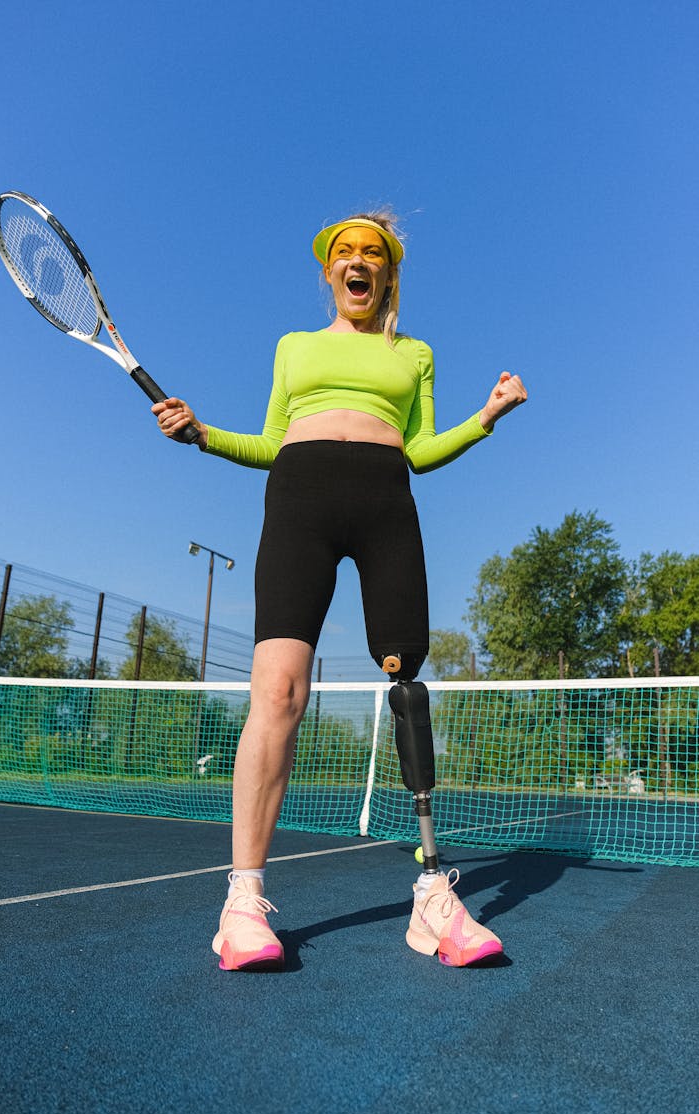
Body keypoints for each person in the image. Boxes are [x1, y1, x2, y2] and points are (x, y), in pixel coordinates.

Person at [153, 211, 527, 971]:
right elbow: (269, 442)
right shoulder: (294, 346)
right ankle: (242, 901)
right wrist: (201, 432)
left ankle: (431, 896)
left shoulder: (415, 353)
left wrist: (485, 418)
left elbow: (419, 451)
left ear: (388, 275)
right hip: (300, 502)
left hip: (387, 505)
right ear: (329, 272)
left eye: (374, 254)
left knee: (407, 687)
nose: (358, 262)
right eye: (345, 253)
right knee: (279, 692)